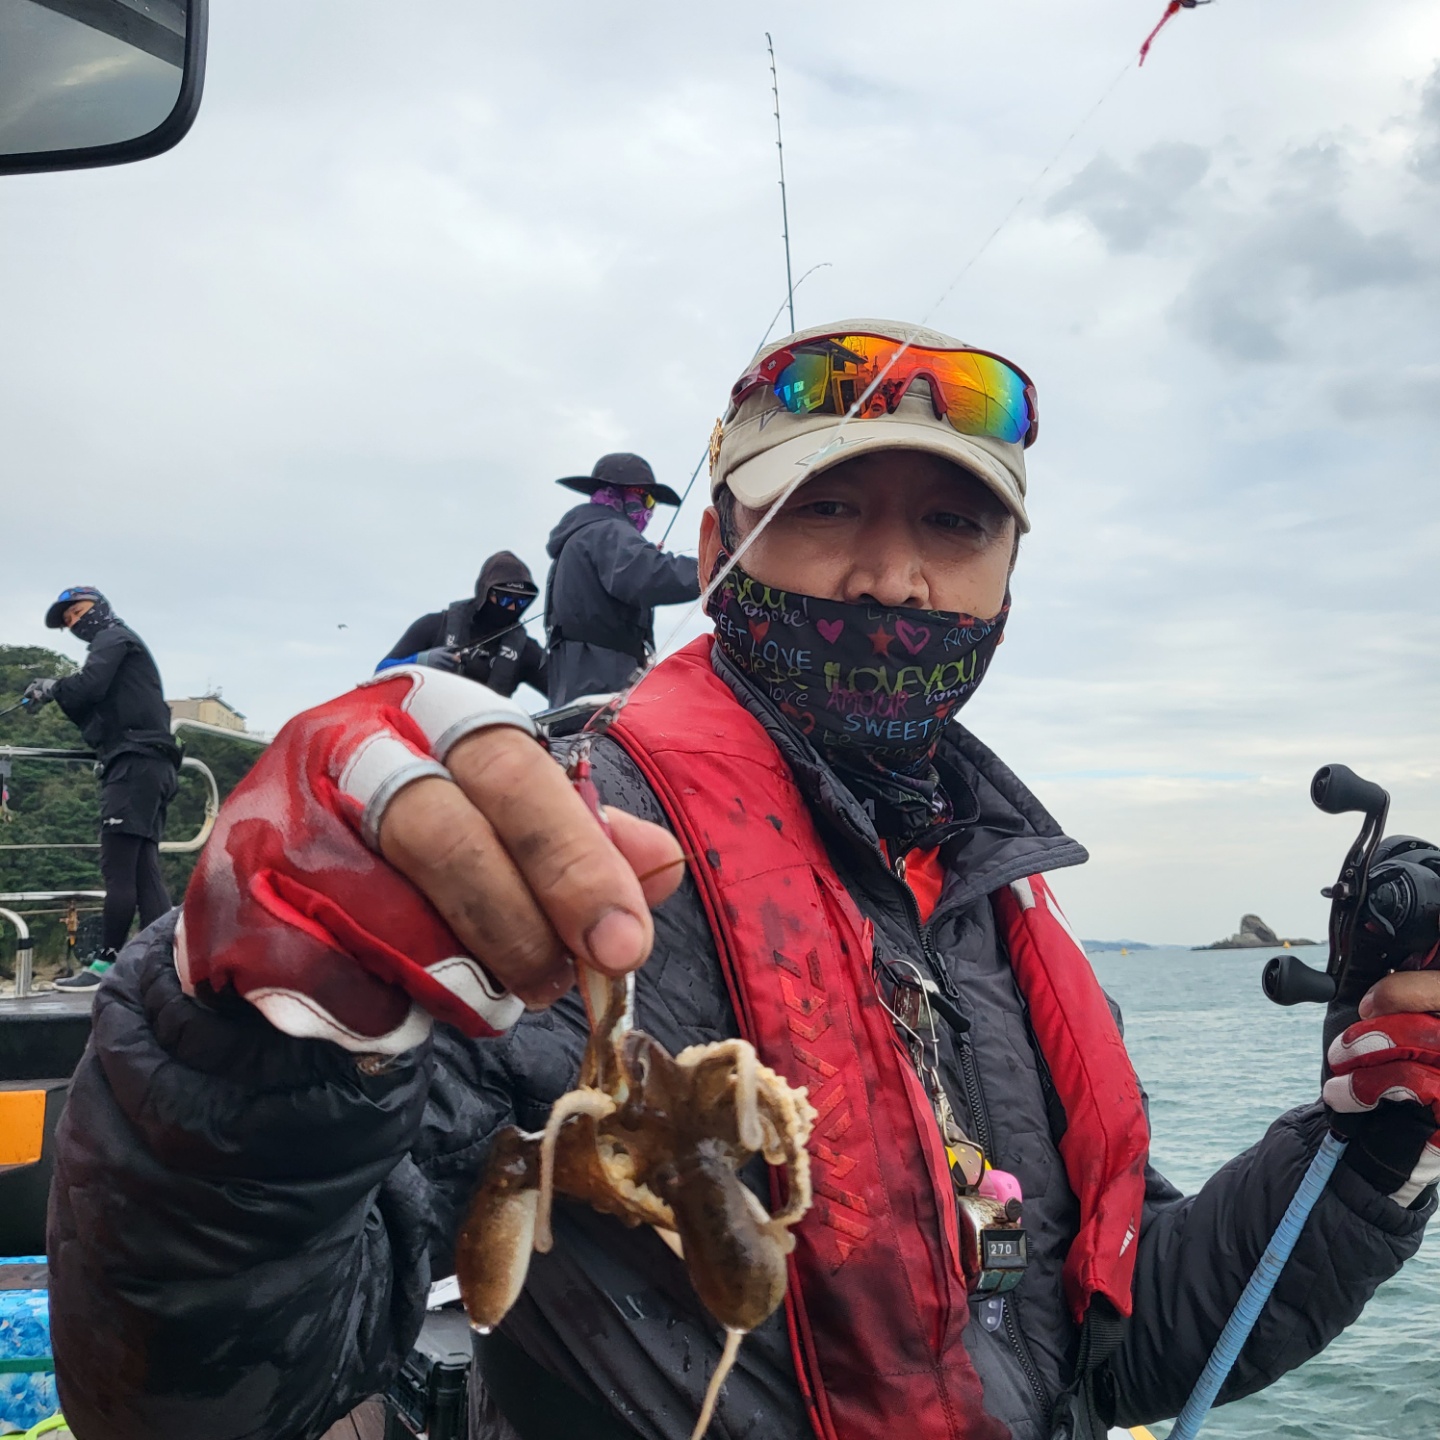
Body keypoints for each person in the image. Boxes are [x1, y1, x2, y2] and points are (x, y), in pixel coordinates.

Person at [48, 322, 1439, 1440]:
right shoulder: (572, 851)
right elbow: (206, 1396)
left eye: (954, 529)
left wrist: (1371, 1141)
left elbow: (1120, 1349)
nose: (893, 579)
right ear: (718, 553)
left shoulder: (992, 904)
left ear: (1010, 584)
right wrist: (248, 1044)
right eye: (825, 509)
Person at [25, 586, 181, 991]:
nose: (75, 622)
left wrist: (52, 687)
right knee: (144, 871)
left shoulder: (112, 637)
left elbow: (89, 687)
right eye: (69, 621)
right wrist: (55, 690)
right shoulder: (121, 643)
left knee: (118, 868)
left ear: (100, 607)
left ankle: (105, 965)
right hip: (152, 765)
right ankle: (163, 962)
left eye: (78, 612)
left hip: (134, 764)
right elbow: (94, 703)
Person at [544, 452, 700, 706]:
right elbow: (648, 575)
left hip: (576, 683)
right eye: (646, 498)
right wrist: (714, 568)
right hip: (602, 683)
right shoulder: (608, 530)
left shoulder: (583, 535)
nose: (650, 509)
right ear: (618, 494)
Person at [378, 551, 548, 701]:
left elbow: (561, 690)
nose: (512, 607)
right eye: (505, 598)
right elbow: (380, 673)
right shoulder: (434, 625)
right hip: (426, 721)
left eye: (522, 601)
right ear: (486, 593)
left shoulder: (526, 650)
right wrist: (419, 661)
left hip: (487, 724)